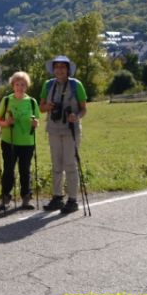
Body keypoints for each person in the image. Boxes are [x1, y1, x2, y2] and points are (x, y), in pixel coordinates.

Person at [39, 56, 88, 214]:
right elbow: (41, 108)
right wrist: (48, 106)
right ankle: (57, 197)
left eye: (63, 67)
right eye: (57, 67)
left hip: (71, 130)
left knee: (70, 164)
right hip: (53, 129)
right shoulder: (48, 85)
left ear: (68, 69)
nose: (59, 70)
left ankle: (72, 200)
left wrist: (76, 116)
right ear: (53, 69)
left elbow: (84, 109)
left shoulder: (76, 85)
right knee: (56, 165)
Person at [0, 71, 40, 210]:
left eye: (23, 84)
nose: (20, 87)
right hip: (9, 141)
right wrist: (6, 123)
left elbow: (37, 121)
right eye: (17, 84)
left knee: (25, 170)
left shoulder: (32, 102)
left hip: (27, 142)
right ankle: (5, 198)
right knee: (8, 170)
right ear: (13, 85)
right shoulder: (6, 100)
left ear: (26, 86)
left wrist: (35, 124)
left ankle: (26, 198)